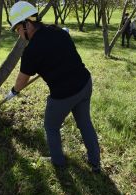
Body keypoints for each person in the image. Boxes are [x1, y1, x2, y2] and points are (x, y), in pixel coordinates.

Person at [6, 1, 101, 172]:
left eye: (18, 29)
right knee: (84, 122)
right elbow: (64, 53)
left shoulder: (31, 51)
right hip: (84, 83)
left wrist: (14, 92)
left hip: (64, 95)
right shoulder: (57, 30)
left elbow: (21, 80)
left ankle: (58, 162)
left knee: (51, 126)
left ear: (27, 24)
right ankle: (95, 162)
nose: (18, 34)